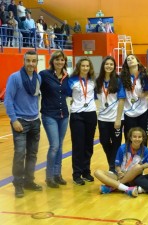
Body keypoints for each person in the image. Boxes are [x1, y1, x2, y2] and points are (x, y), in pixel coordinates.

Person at [4, 50, 42, 198]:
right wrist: (14, 120)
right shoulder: (15, 78)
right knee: (20, 154)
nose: (31, 64)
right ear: (23, 61)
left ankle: (29, 181)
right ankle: (18, 184)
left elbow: (36, 98)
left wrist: (37, 116)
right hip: (20, 122)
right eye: (28, 61)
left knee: (32, 154)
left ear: (36, 62)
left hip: (35, 121)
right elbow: (8, 100)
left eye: (34, 61)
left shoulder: (38, 78)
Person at [39, 50, 69, 188]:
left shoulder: (66, 76)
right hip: (49, 115)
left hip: (63, 115)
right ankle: (49, 176)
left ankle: (57, 174)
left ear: (65, 62)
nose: (59, 62)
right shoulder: (44, 75)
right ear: (52, 61)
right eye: (57, 59)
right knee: (54, 146)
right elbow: (33, 88)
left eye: (62, 60)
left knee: (60, 146)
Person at [94, 127, 148, 197]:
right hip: (120, 175)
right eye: (134, 137)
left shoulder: (146, 151)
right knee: (97, 172)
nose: (137, 139)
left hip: (133, 177)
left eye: (139, 137)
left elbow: (140, 168)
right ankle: (127, 189)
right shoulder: (123, 148)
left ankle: (112, 187)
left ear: (143, 138)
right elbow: (117, 165)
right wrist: (119, 172)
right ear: (130, 138)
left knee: (138, 167)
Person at [68, 57, 97, 185]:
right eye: (83, 66)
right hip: (77, 115)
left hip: (91, 114)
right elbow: (66, 94)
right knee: (78, 145)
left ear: (90, 68)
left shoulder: (93, 82)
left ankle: (86, 171)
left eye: (87, 66)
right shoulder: (71, 81)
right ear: (78, 67)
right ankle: (77, 174)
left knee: (88, 145)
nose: (85, 68)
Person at [95, 56, 126, 172]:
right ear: (103, 65)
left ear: (114, 67)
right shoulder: (98, 81)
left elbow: (122, 100)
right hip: (102, 118)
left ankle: (113, 167)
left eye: (111, 64)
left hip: (116, 118)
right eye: (107, 64)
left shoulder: (118, 81)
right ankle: (112, 163)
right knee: (104, 141)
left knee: (116, 144)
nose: (109, 66)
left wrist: (118, 119)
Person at [120, 54, 148, 144]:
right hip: (129, 113)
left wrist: (144, 94)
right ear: (126, 64)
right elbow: (121, 96)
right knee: (129, 139)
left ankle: (143, 156)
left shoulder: (144, 76)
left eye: (132, 58)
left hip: (143, 112)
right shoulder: (123, 77)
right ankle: (129, 157)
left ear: (137, 61)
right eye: (128, 59)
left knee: (143, 138)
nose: (130, 60)